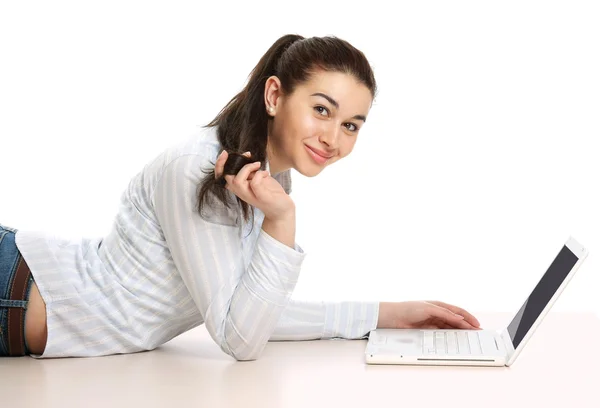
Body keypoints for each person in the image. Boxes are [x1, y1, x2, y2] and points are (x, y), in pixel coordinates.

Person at [0, 34, 480, 360]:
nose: (334, 138)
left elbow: (249, 312)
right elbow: (239, 339)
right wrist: (282, 221)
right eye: (321, 109)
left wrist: (386, 316)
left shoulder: (261, 178)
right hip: (16, 289)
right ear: (274, 96)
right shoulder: (198, 168)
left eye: (351, 125)